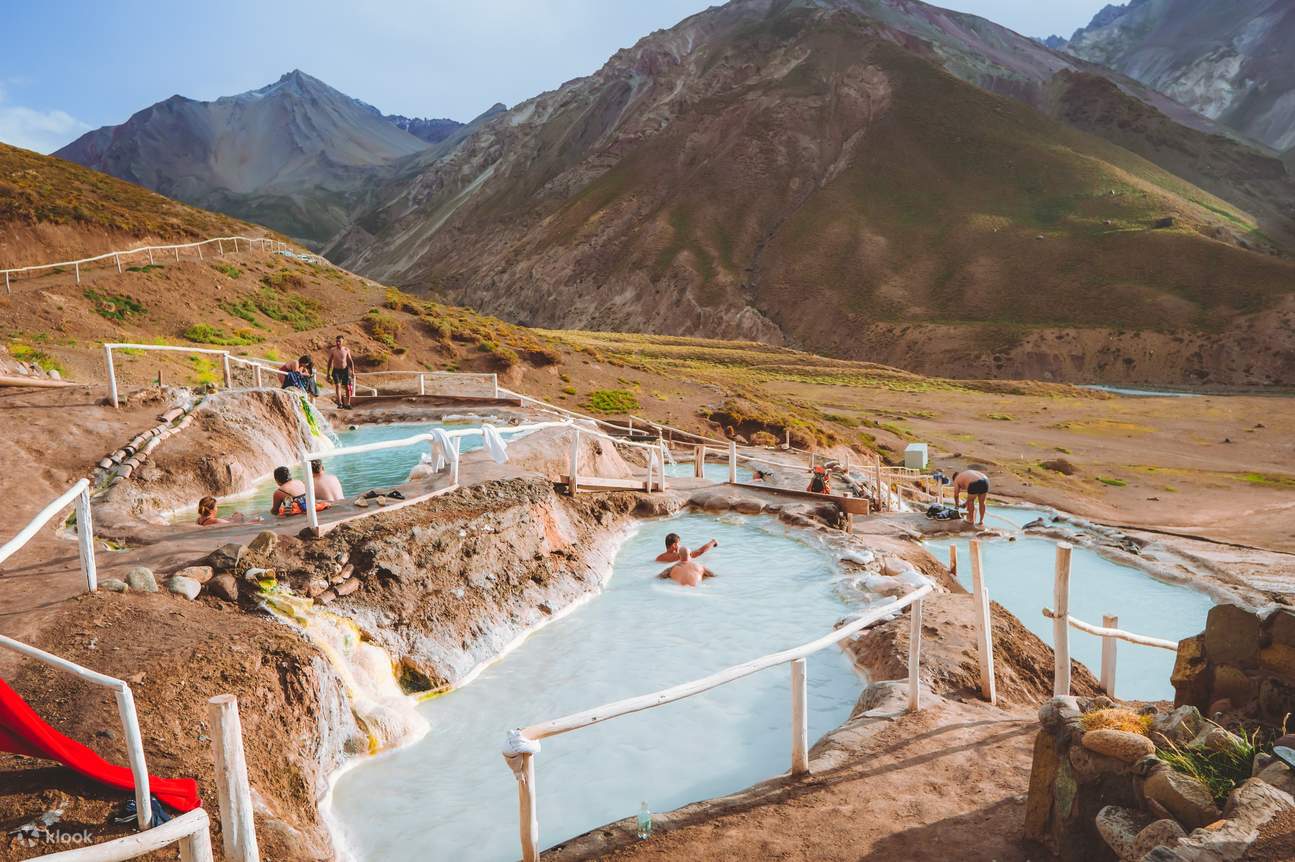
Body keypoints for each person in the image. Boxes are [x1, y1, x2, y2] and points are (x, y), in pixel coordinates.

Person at [326, 335, 356, 410]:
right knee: (338, 386)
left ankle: (348, 403)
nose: (338, 343)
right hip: (336, 370)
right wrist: (328, 373)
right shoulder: (333, 350)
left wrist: (353, 371)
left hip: (345, 370)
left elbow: (350, 361)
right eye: (336, 341)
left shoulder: (346, 349)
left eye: (339, 341)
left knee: (347, 387)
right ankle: (340, 403)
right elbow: (329, 362)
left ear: (343, 341)